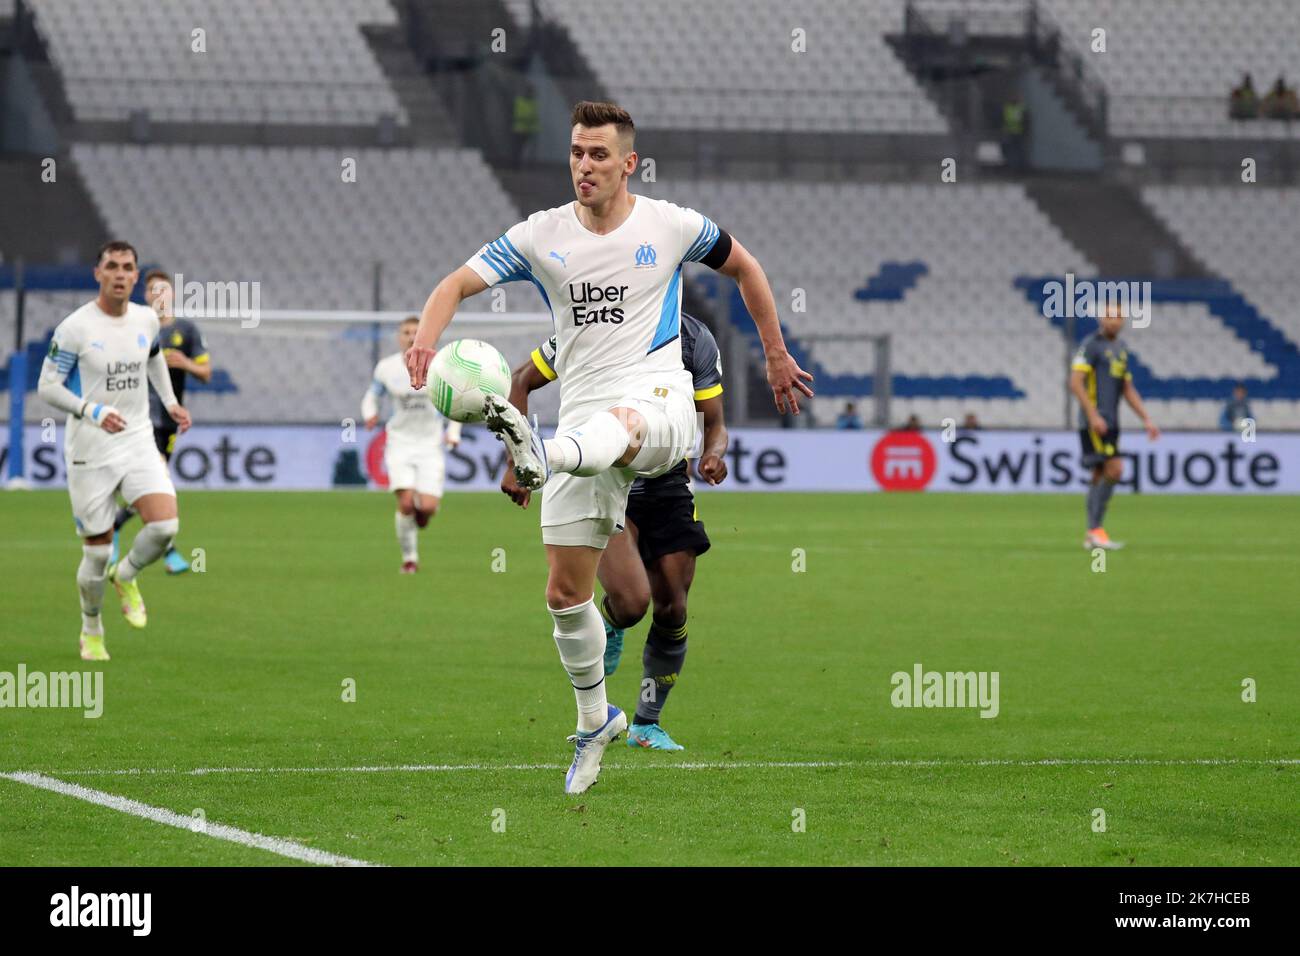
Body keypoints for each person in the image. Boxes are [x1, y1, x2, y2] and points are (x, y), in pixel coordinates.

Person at [405, 100, 811, 793]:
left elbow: (748, 268)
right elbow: (455, 283)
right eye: (574, 153)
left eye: (597, 155)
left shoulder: (673, 224)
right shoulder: (541, 236)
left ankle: (542, 454)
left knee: (623, 426)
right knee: (568, 594)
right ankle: (595, 721)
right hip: (583, 421)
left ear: (629, 163)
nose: (583, 166)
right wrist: (424, 341)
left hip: (658, 408)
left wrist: (775, 353)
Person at [501, 312, 728, 751]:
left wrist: (713, 454)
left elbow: (714, 422)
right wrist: (515, 458)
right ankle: (611, 624)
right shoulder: (592, 314)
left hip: (667, 483)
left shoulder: (696, 337)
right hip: (603, 476)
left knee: (673, 608)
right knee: (631, 603)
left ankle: (647, 722)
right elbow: (521, 380)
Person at [36, 241, 191, 661]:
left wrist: (170, 402)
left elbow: (154, 358)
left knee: (164, 527)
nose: (120, 274)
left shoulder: (145, 318)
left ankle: (126, 576)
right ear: (97, 273)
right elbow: (47, 386)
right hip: (91, 449)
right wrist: (91, 409)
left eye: (127, 268)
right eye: (112, 267)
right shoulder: (75, 328)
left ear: (136, 276)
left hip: (138, 439)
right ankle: (91, 627)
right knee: (97, 550)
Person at [110, 270, 209, 573]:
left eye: (165, 290)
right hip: (136, 418)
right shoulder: (134, 328)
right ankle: (170, 553)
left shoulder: (186, 330)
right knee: (158, 482)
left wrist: (185, 363)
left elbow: (206, 373)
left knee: (151, 485)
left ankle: (112, 524)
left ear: (173, 295)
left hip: (168, 421)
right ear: (146, 295)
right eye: (154, 290)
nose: (160, 295)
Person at [362, 316, 462, 573]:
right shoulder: (386, 367)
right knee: (406, 503)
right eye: (406, 332)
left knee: (426, 508)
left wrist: (453, 431)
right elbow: (372, 396)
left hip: (430, 444)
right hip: (399, 442)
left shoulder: (441, 366)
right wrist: (369, 413)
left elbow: (455, 404)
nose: (410, 336)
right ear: (399, 336)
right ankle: (410, 559)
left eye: (416, 331)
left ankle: (420, 519)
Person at [1068, 303, 1159, 551]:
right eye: (1110, 315)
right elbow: (1075, 383)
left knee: (1099, 474)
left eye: (1119, 316)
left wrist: (1146, 419)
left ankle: (1092, 534)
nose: (1115, 320)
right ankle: (1095, 530)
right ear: (1101, 318)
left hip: (1112, 422)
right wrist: (1093, 415)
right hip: (1095, 422)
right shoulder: (1090, 346)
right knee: (1115, 469)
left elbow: (1126, 388)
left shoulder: (1120, 349)